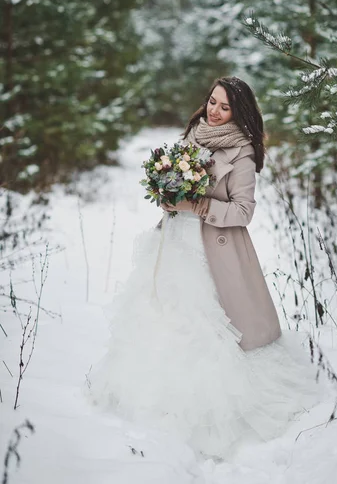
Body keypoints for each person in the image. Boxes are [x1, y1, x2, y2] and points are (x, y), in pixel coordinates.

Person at [89, 76, 323, 460]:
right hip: (174, 245)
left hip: (213, 252)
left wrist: (194, 206)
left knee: (209, 326)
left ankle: (212, 418)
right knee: (162, 318)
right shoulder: (193, 135)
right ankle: (154, 404)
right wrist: (168, 197)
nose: (214, 111)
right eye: (212, 102)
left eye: (224, 106)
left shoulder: (243, 153)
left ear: (239, 112)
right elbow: (178, 186)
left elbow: (243, 212)